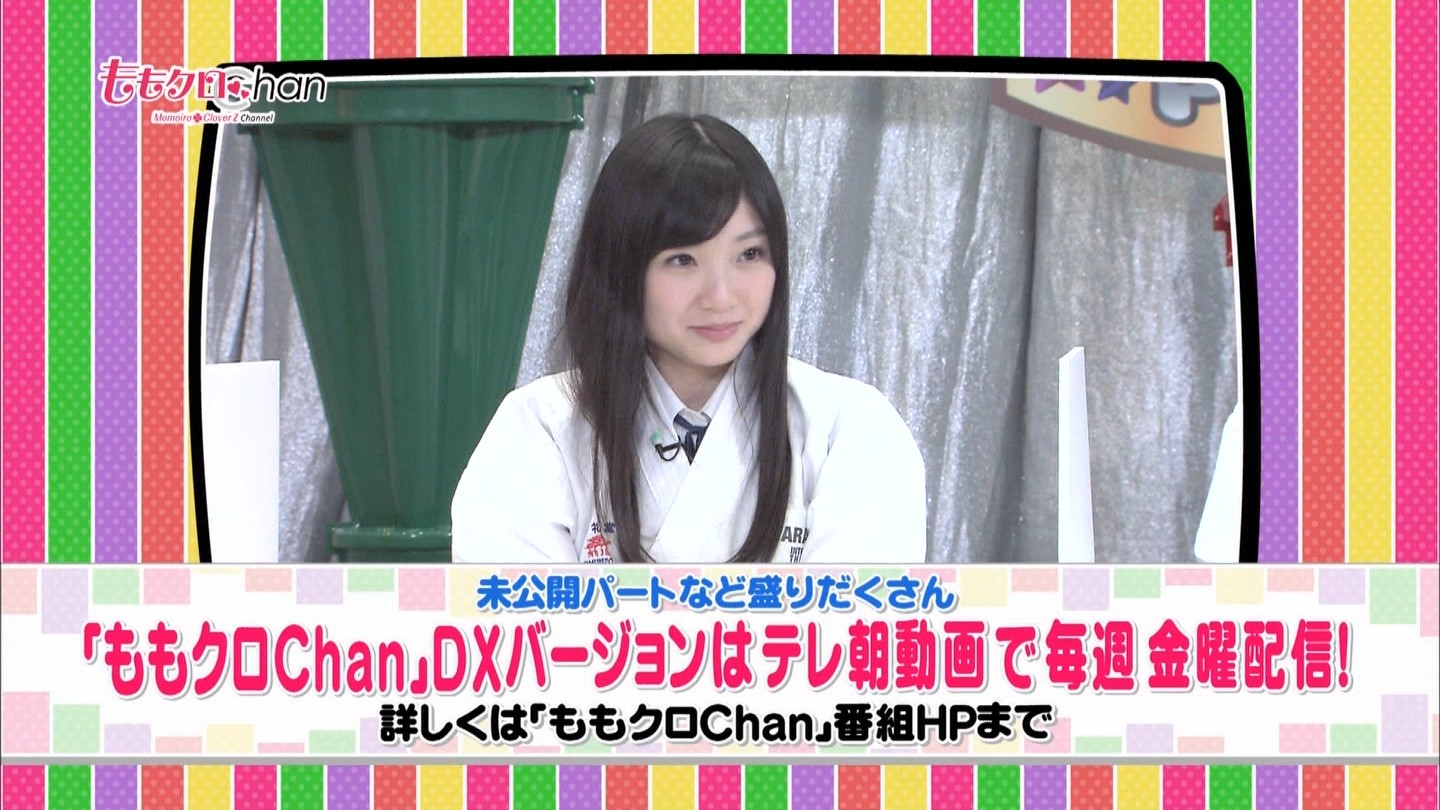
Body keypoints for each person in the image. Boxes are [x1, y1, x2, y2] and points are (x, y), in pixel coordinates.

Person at [451, 114, 927, 564]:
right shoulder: (539, 430)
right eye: (682, 260)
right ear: (618, 267)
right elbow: (516, 620)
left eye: (749, 254)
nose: (721, 297)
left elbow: (857, 619)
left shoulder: (852, 428)